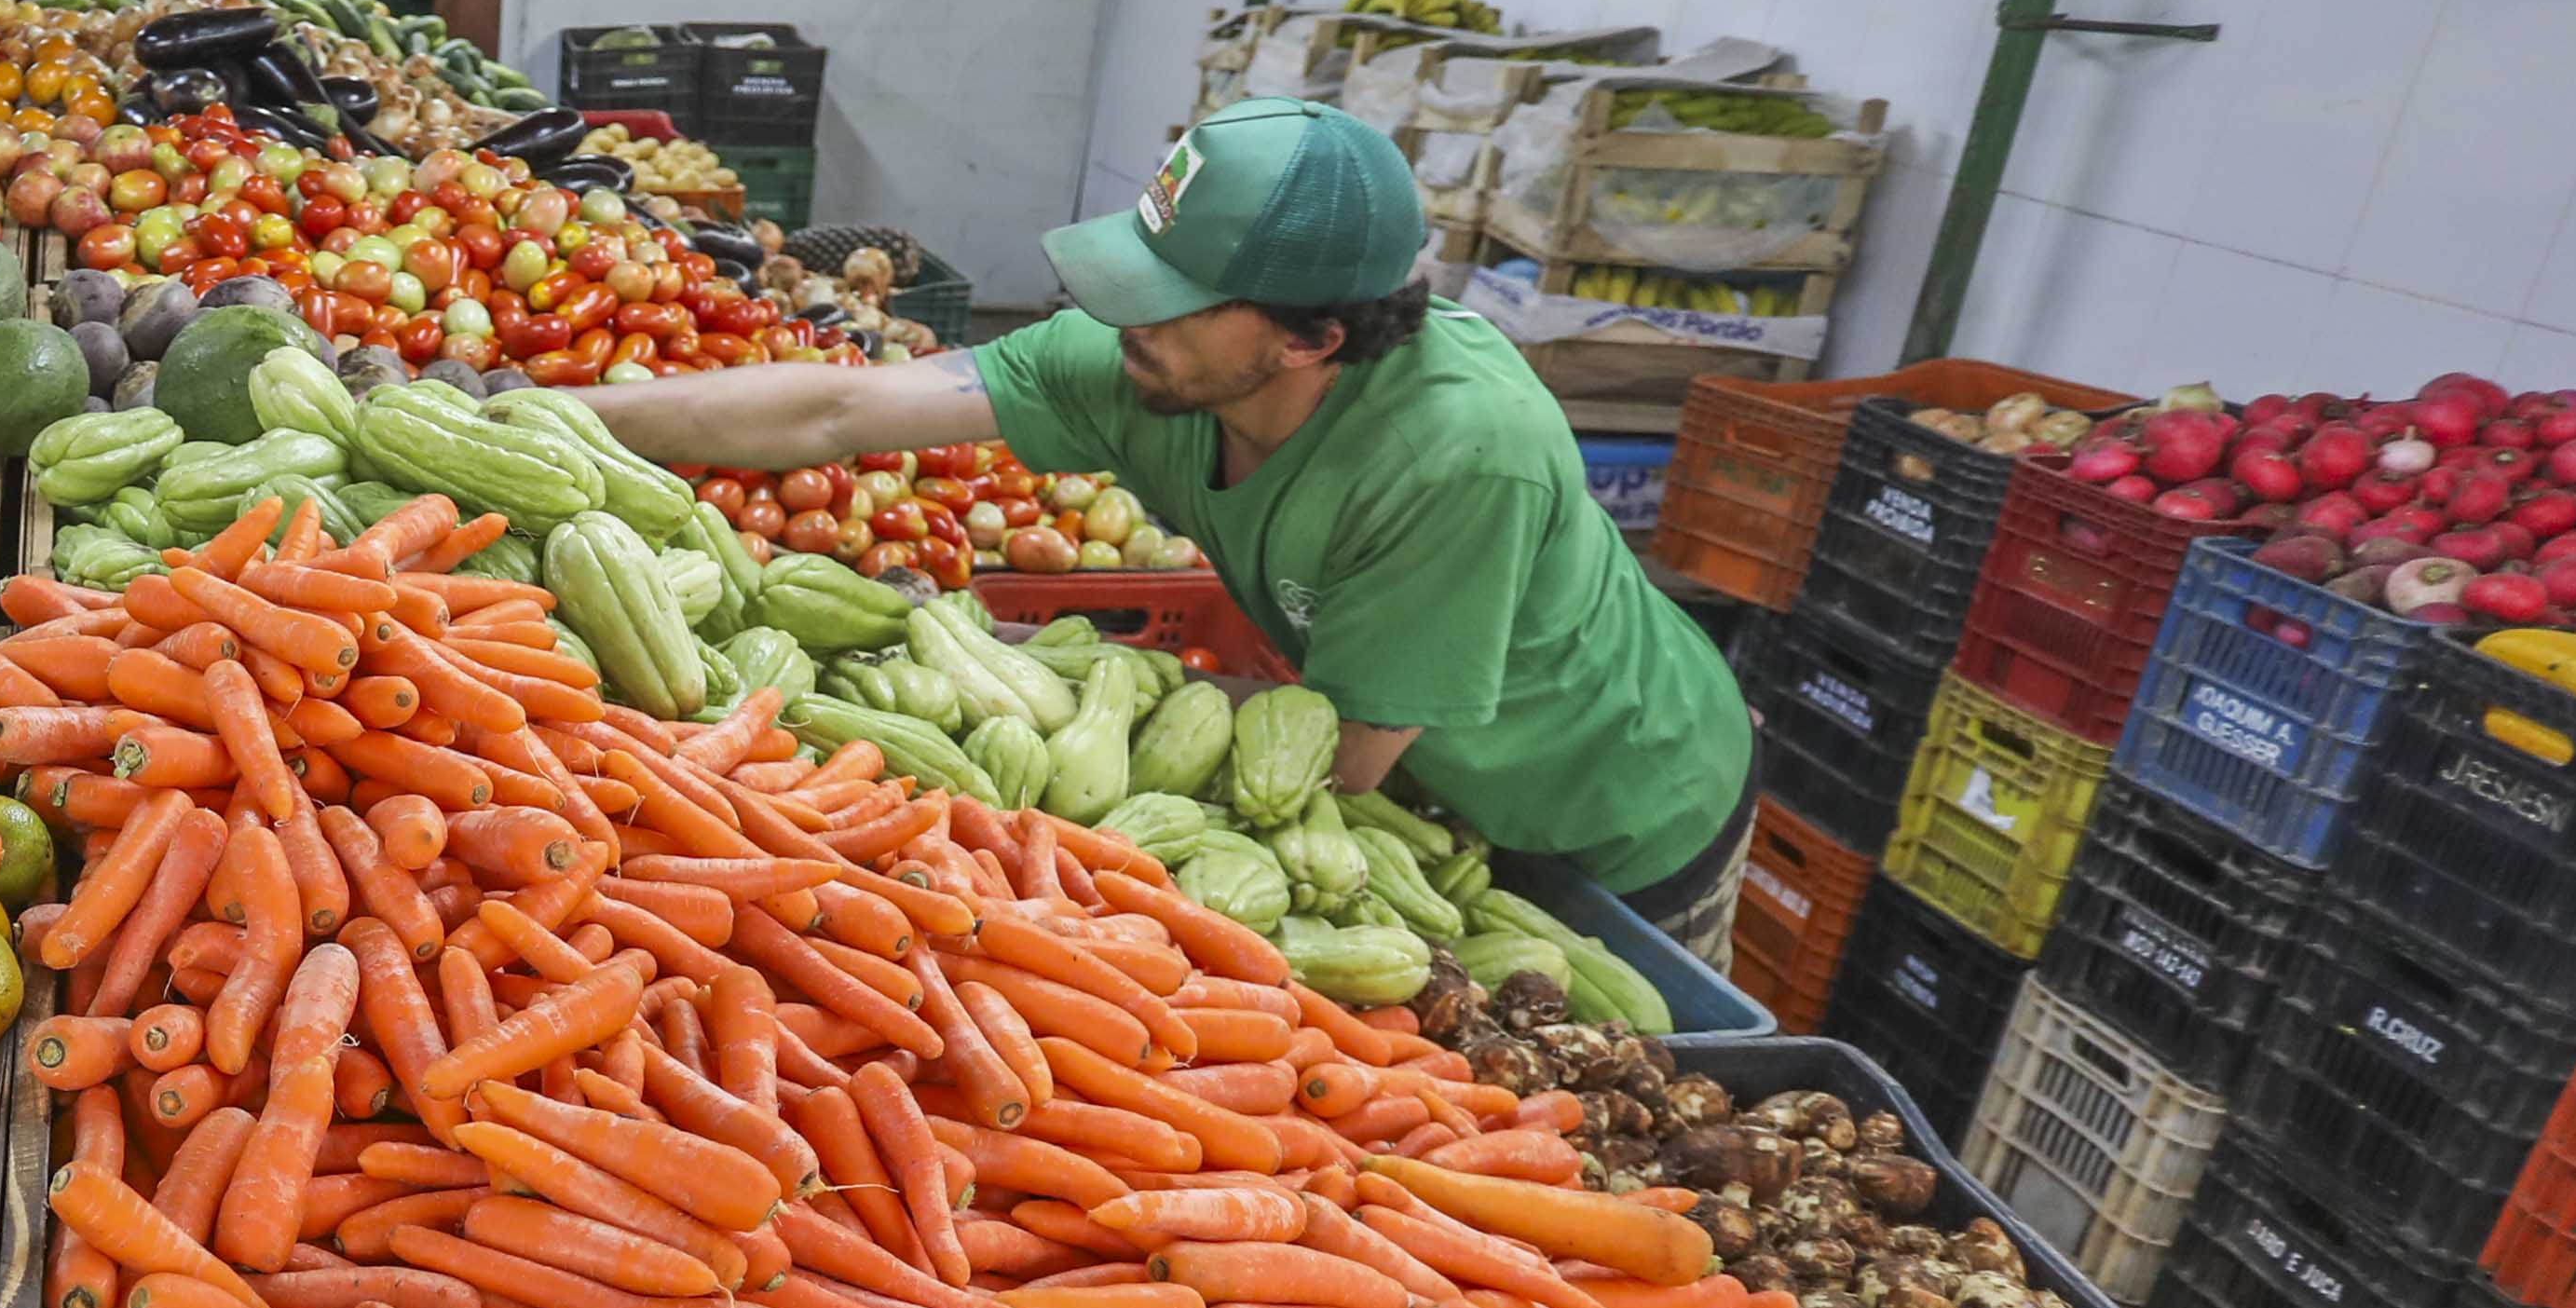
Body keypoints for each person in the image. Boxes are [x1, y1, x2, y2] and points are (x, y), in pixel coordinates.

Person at [583, 96, 1757, 954]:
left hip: (1607, 805)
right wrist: (550, 413)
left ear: (1309, 340)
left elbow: (1341, 750)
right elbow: (835, 403)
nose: (1115, 317)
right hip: (1419, 781)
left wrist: (1043, 677)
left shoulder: (1454, 457)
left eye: (1168, 298)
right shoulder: (1152, 363)